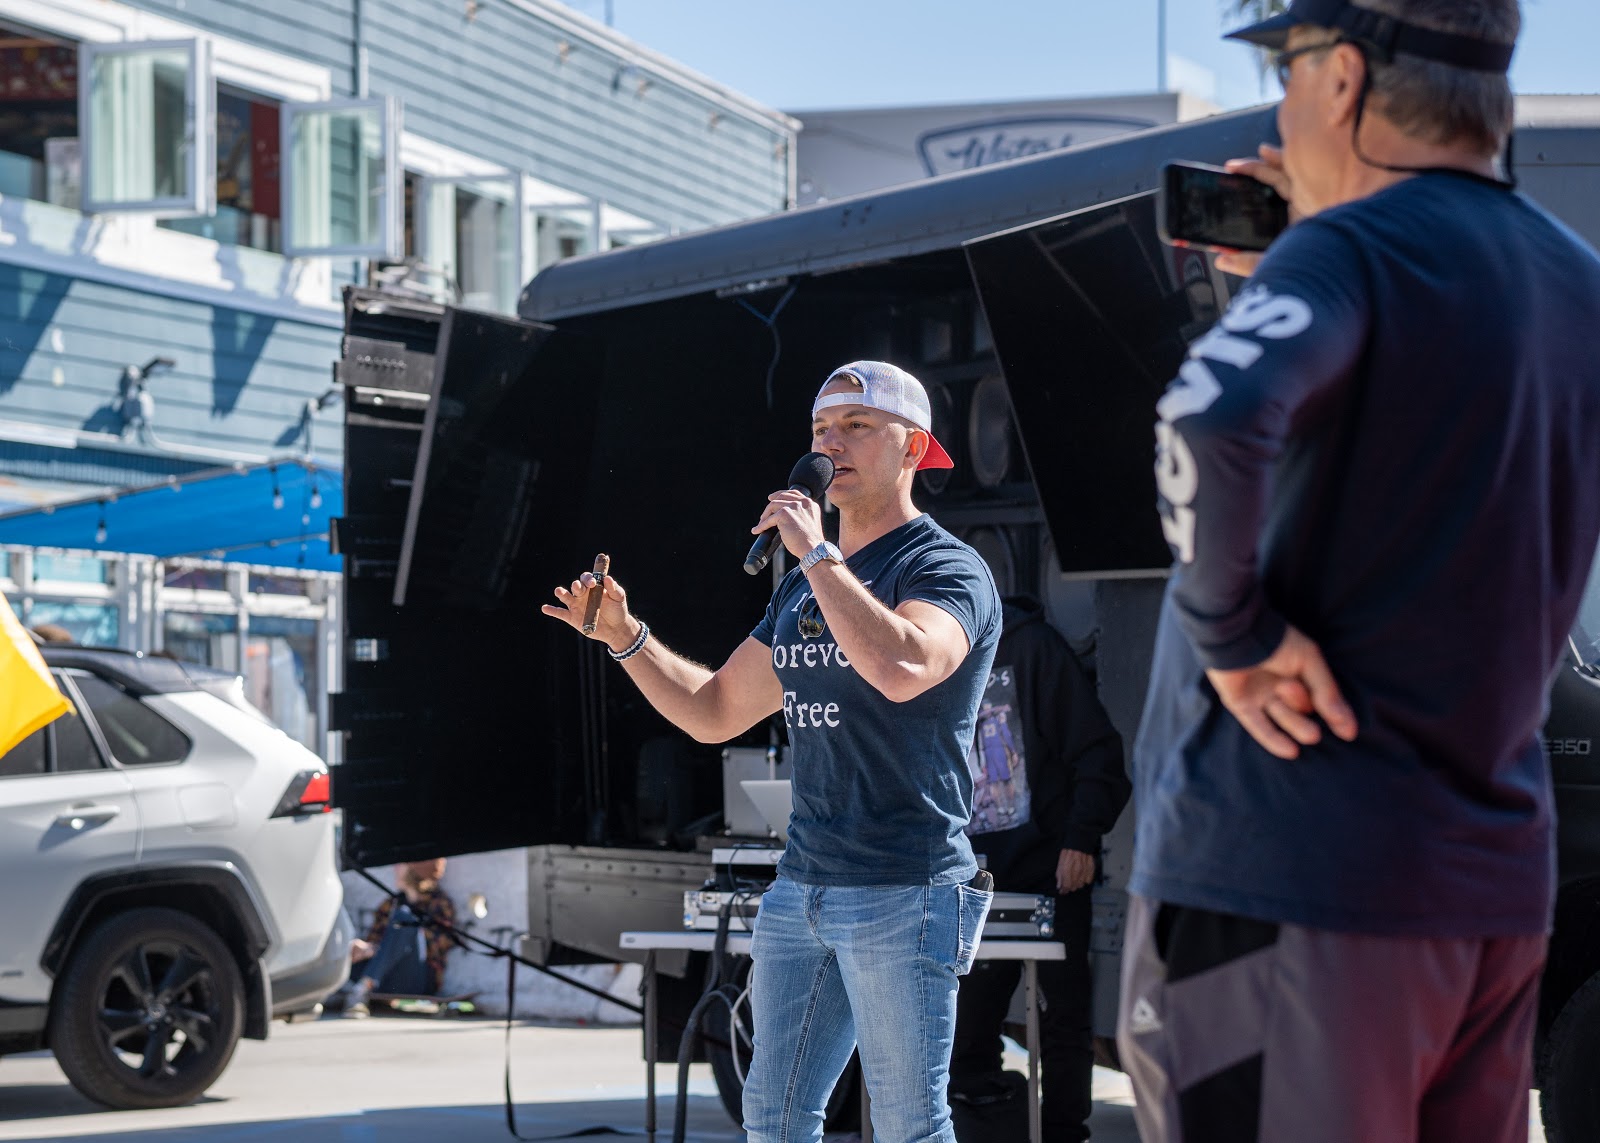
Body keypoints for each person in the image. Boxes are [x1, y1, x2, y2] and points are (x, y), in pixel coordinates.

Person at [1119, 1, 1600, 1140]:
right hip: (1488, 882)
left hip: (1289, 868)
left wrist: (1231, 638)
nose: (1280, 108)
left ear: (1341, 80)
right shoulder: (1574, 282)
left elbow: (1204, 415)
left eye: (1284, 71)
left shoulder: (1355, 251)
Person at [543, 361, 1002, 1143]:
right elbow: (715, 708)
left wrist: (819, 555)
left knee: (907, 1124)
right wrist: (626, 637)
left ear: (913, 447)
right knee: (775, 1116)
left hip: (905, 884)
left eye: (856, 426)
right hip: (803, 888)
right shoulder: (800, 590)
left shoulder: (943, 567)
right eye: (822, 429)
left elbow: (903, 667)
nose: (831, 444)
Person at [950, 597, 1129, 1143]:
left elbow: (1099, 753)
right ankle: (983, 1125)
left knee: (1063, 1020)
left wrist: (1082, 839)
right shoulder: (933, 653)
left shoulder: (1033, 648)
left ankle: (1064, 1134)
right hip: (970, 877)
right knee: (967, 1018)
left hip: (1050, 870)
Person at [338, 858, 456, 1017]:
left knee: (405, 920)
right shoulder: (391, 903)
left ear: (415, 871)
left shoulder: (439, 904)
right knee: (344, 952)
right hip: (385, 976)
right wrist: (365, 949)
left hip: (416, 978)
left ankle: (361, 991)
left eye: (401, 864)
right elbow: (376, 939)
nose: (395, 869)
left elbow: (436, 946)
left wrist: (377, 949)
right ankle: (359, 987)